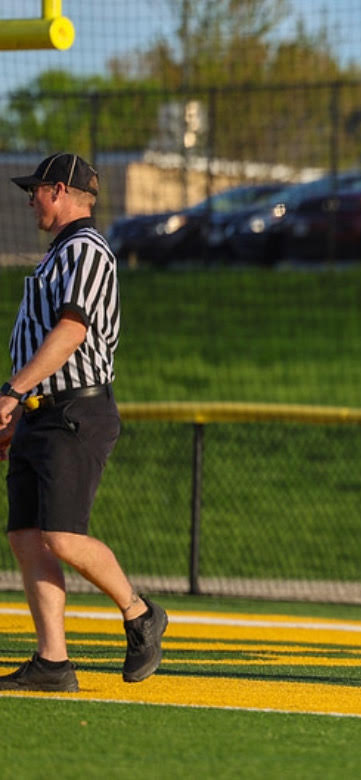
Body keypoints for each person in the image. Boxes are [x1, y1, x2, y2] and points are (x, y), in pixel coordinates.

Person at [0, 153, 167, 693]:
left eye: (36, 190)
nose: (30, 200)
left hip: (75, 409)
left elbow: (71, 332)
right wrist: (15, 411)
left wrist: (13, 389)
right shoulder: (56, 255)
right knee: (26, 537)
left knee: (62, 536)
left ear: (60, 190)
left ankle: (140, 613)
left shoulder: (87, 251)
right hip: (38, 413)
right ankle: (53, 662)